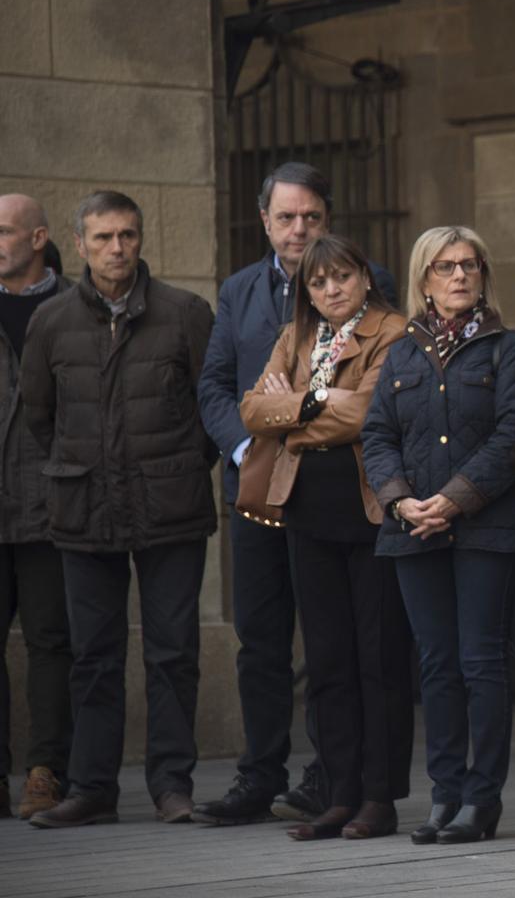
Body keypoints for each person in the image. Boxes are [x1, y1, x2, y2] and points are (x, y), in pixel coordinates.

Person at [194, 163, 395, 828]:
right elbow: (228, 392)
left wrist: (297, 406)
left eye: (311, 216)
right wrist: (254, 445)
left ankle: (329, 777)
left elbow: (372, 407)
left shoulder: (374, 292)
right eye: (287, 217)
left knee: (343, 642)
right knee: (262, 636)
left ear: (327, 220)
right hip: (261, 486)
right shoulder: (241, 291)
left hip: (346, 492)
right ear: (265, 220)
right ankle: (261, 771)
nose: (299, 228)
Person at [21, 192, 215, 828]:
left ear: (141, 238)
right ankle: (93, 787)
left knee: (172, 653)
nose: (117, 249)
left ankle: (171, 785)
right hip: (84, 509)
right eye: (103, 238)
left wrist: (177, 471)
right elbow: (40, 417)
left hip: (171, 507)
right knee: (93, 656)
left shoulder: (185, 313)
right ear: (78, 244)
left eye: (127, 235)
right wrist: (83, 472)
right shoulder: (49, 322)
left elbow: (209, 410)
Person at [362, 226, 515, 845]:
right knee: (435, 666)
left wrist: (453, 501)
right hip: (413, 531)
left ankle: (481, 798)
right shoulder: (401, 355)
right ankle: (445, 793)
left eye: (470, 265)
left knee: (479, 662)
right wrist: (401, 500)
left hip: (485, 528)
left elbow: (514, 436)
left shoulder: (507, 350)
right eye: (445, 267)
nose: (460, 276)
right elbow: (377, 436)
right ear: (424, 279)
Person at [239, 234, 413, 841]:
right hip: (307, 514)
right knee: (328, 660)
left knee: (379, 659)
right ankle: (338, 793)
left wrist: (298, 409)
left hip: (369, 515)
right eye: (319, 282)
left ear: (365, 277)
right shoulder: (297, 338)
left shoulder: (393, 331)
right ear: (306, 290)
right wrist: (320, 404)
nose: (332, 289)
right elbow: (253, 410)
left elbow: (371, 413)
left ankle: (378, 797)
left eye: (342, 276)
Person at [0, 194, 73, 821]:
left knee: (53, 643)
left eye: (3, 231)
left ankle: (46, 770)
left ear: (39, 238)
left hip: (53, 504)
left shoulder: (74, 308)